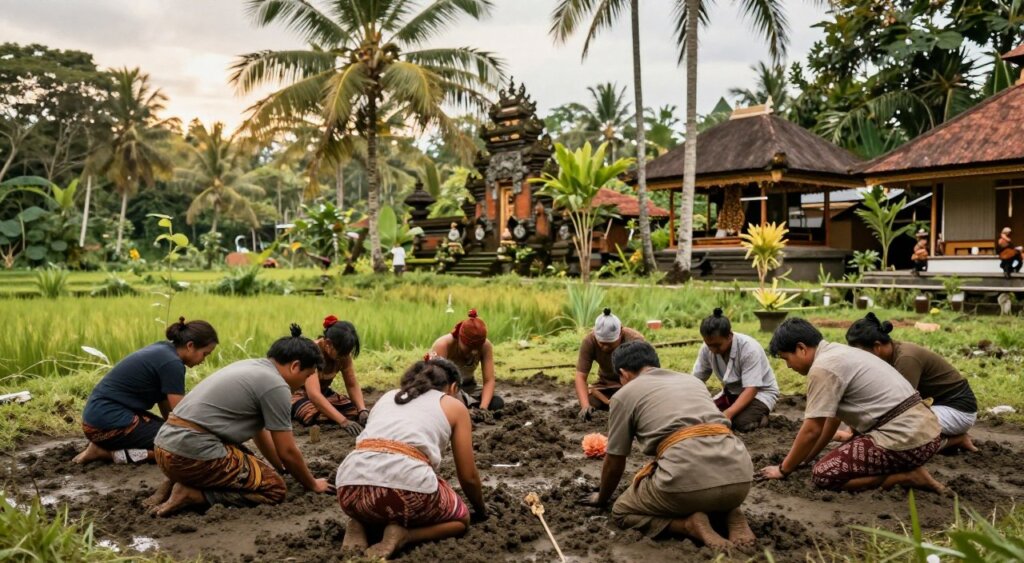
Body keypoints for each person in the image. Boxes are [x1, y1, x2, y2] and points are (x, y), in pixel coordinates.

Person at [578, 341, 755, 551]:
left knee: (622, 512)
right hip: (741, 476)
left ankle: (689, 525)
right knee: (706, 484)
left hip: (686, 480)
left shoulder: (623, 396)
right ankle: (729, 511)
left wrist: (602, 497)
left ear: (623, 374)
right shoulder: (693, 382)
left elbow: (615, 461)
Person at [148, 324, 332, 517]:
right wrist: (312, 484)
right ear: (295, 366)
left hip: (164, 447)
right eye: (308, 375)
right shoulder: (276, 386)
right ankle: (192, 494)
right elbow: (287, 450)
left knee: (252, 463)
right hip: (190, 456)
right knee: (274, 489)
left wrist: (280, 468)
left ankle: (175, 481)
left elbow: (259, 431)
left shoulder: (252, 366)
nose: (305, 383)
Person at [759, 318, 945, 493]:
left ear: (801, 348)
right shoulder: (839, 352)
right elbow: (830, 422)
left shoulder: (822, 369)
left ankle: (907, 476)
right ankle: (906, 467)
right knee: (837, 456)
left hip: (906, 440)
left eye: (786, 359)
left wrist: (783, 469)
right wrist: (805, 459)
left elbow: (812, 430)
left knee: (823, 474)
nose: (788, 366)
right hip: (929, 434)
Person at [335, 357, 487, 559]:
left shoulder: (388, 396)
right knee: (460, 519)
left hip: (348, 488)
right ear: (452, 388)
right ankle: (405, 535)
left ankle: (359, 522)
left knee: (382, 494)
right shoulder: (453, 405)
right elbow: (467, 476)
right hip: (405, 490)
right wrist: (481, 509)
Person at [73, 318, 218, 465]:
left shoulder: (165, 350)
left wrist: (174, 429)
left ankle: (108, 446)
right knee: (181, 450)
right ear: (190, 346)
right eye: (205, 354)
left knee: (174, 436)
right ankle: (106, 453)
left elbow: (167, 408)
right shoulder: (172, 364)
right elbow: (181, 413)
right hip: (104, 424)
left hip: (99, 417)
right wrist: (205, 433)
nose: (203, 360)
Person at [845, 313, 977, 452]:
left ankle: (956, 440)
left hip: (958, 410)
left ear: (877, 347)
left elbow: (898, 406)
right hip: (935, 406)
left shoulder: (906, 359)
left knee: (899, 440)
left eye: (860, 353)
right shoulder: (889, 355)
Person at [692, 308, 780, 432]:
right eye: (709, 345)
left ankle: (761, 417)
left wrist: (728, 413)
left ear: (729, 336)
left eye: (717, 345)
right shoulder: (707, 348)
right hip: (732, 393)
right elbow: (696, 378)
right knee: (704, 416)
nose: (712, 350)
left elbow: (752, 388)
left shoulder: (749, 349)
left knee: (740, 424)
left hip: (760, 393)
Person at [290, 315, 369, 435]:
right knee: (311, 413)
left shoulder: (344, 356)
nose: (343, 357)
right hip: (299, 394)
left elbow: (352, 385)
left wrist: (362, 409)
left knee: (353, 410)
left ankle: (328, 412)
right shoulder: (311, 352)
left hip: (324, 393)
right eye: (341, 354)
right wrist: (343, 421)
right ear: (328, 344)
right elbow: (314, 394)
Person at [429, 309, 503, 417]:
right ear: (460, 338)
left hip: (470, 387)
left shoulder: (486, 346)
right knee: (451, 405)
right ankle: (464, 407)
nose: (474, 352)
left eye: (477, 348)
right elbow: (438, 382)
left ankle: (468, 406)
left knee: (496, 403)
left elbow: (489, 380)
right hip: (447, 389)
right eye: (469, 347)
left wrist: (483, 409)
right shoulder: (443, 345)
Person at [574, 308, 645, 421]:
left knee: (639, 406)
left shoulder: (635, 341)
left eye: (610, 344)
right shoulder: (589, 341)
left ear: (620, 333)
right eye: (601, 343)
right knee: (589, 401)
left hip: (632, 385)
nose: (605, 347)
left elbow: (645, 376)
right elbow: (580, 376)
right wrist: (585, 406)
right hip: (605, 386)